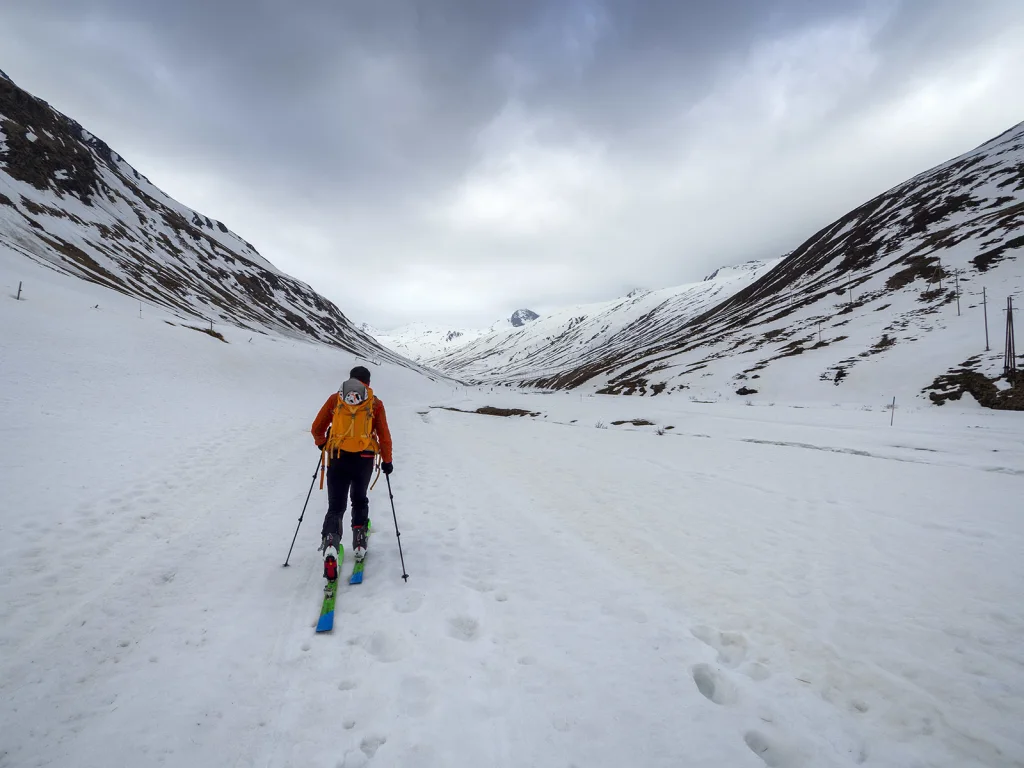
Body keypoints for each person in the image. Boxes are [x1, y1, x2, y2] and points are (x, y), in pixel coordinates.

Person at [310, 365, 393, 577]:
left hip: (338, 457)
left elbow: (317, 427)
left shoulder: (335, 400)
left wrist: (322, 444)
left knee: (336, 506)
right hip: (364, 459)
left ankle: (331, 544)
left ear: (350, 379)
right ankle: (359, 542)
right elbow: (383, 436)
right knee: (359, 498)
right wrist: (387, 461)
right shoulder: (375, 403)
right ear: (368, 383)